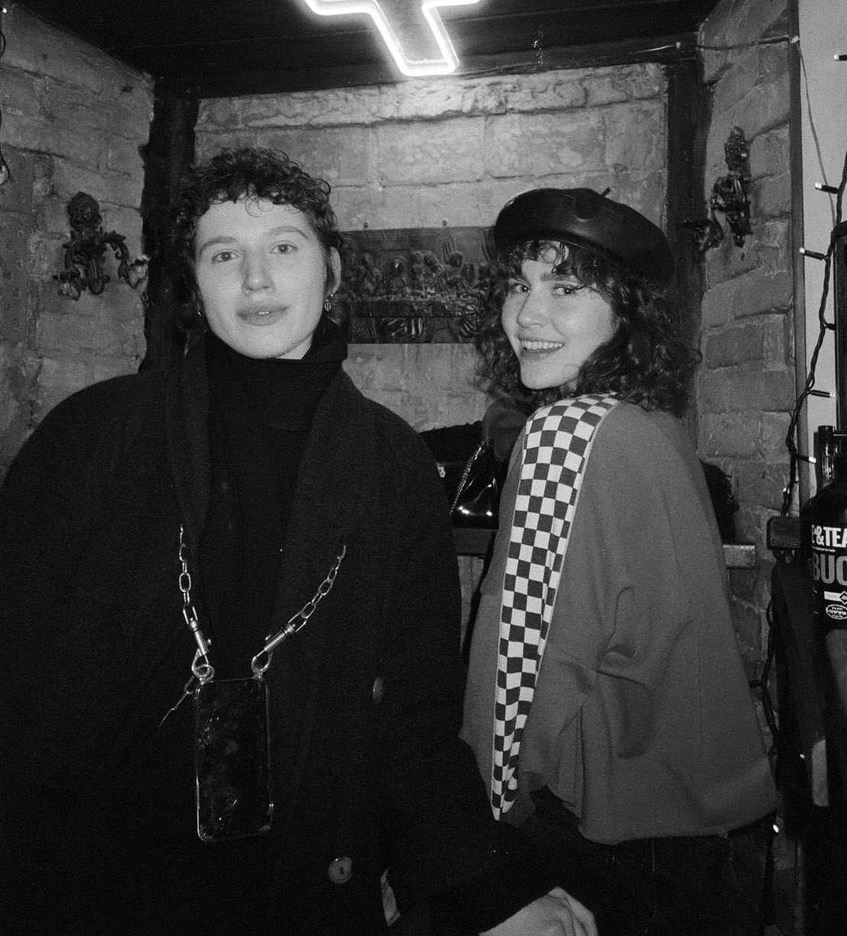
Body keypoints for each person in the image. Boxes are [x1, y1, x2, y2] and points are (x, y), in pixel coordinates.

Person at [0, 148, 597, 936]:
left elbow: (413, 721)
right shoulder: (94, 437)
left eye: (284, 246)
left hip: (299, 883)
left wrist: (490, 888)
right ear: (192, 284)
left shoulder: (390, 464)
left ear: (333, 269)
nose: (256, 280)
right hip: (98, 873)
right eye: (224, 255)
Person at [461, 186, 777, 936]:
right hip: (695, 832)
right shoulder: (651, 423)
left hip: (602, 844)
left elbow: (520, 671)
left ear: (624, 311)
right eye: (517, 285)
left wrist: (480, 851)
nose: (527, 316)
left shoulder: (564, 435)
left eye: (564, 288)